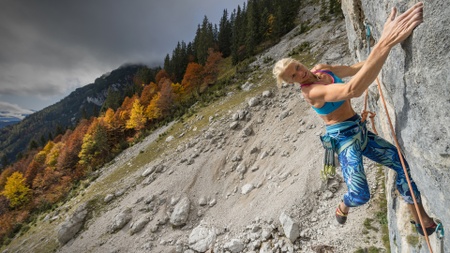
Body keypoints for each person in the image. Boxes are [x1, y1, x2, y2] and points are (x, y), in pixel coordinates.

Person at [273, 2, 437, 236]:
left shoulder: (323, 70)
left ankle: (421, 218)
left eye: (297, 66)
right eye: (294, 75)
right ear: (291, 82)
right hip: (344, 140)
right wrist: (385, 43)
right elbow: (352, 90)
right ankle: (344, 203)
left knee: (400, 163)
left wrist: (392, 43)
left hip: (358, 131)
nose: (301, 72)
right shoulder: (311, 93)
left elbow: (354, 69)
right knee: (360, 195)